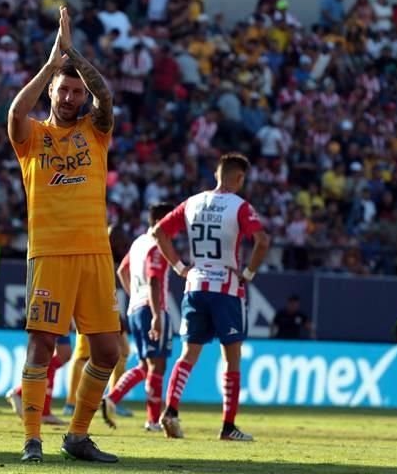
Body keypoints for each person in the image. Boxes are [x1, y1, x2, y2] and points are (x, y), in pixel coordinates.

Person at [8, 6, 119, 463]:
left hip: (95, 251)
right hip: (50, 253)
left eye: (77, 91)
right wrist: (51, 65)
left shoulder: (96, 131)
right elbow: (16, 110)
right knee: (42, 345)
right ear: (51, 91)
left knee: (108, 353)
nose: (71, 96)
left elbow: (106, 98)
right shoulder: (33, 136)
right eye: (64, 89)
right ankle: (32, 438)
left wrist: (72, 54)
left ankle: (76, 436)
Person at [152, 153, 270, 441]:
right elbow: (263, 241)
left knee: (187, 355)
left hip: (195, 285)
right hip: (226, 288)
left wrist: (180, 267)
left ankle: (171, 411)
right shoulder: (240, 206)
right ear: (239, 178)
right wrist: (249, 274)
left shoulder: (192, 202)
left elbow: (159, 232)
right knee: (232, 359)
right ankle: (228, 427)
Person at [101, 203, 175, 432]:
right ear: (162, 220)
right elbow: (154, 280)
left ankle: (112, 398)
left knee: (145, 365)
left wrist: (135, 297)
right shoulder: (158, 244)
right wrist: (155, 313)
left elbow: (122, 271)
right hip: (152, 308)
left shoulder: (138, 243)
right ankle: (152, 421)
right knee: (157, 366)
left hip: (135, 308)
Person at [5, 336, 72, 426]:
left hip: (63, 322)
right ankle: (21, 394)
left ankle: (43, 410)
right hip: (51, 322)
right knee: (48, 354)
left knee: (64, 355)